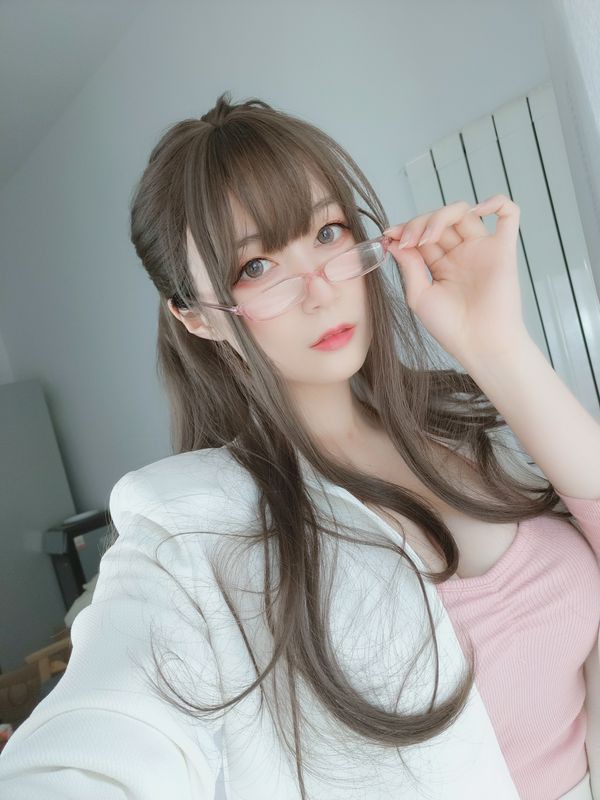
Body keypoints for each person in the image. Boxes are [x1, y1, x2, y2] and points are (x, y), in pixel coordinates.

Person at [0, 91, 598, 800]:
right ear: (196, 319)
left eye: (328, 232)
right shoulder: (201, 536)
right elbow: (99, 744)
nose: (319, 290)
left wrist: (495, 342)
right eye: (255, 267)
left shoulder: (463, 426)